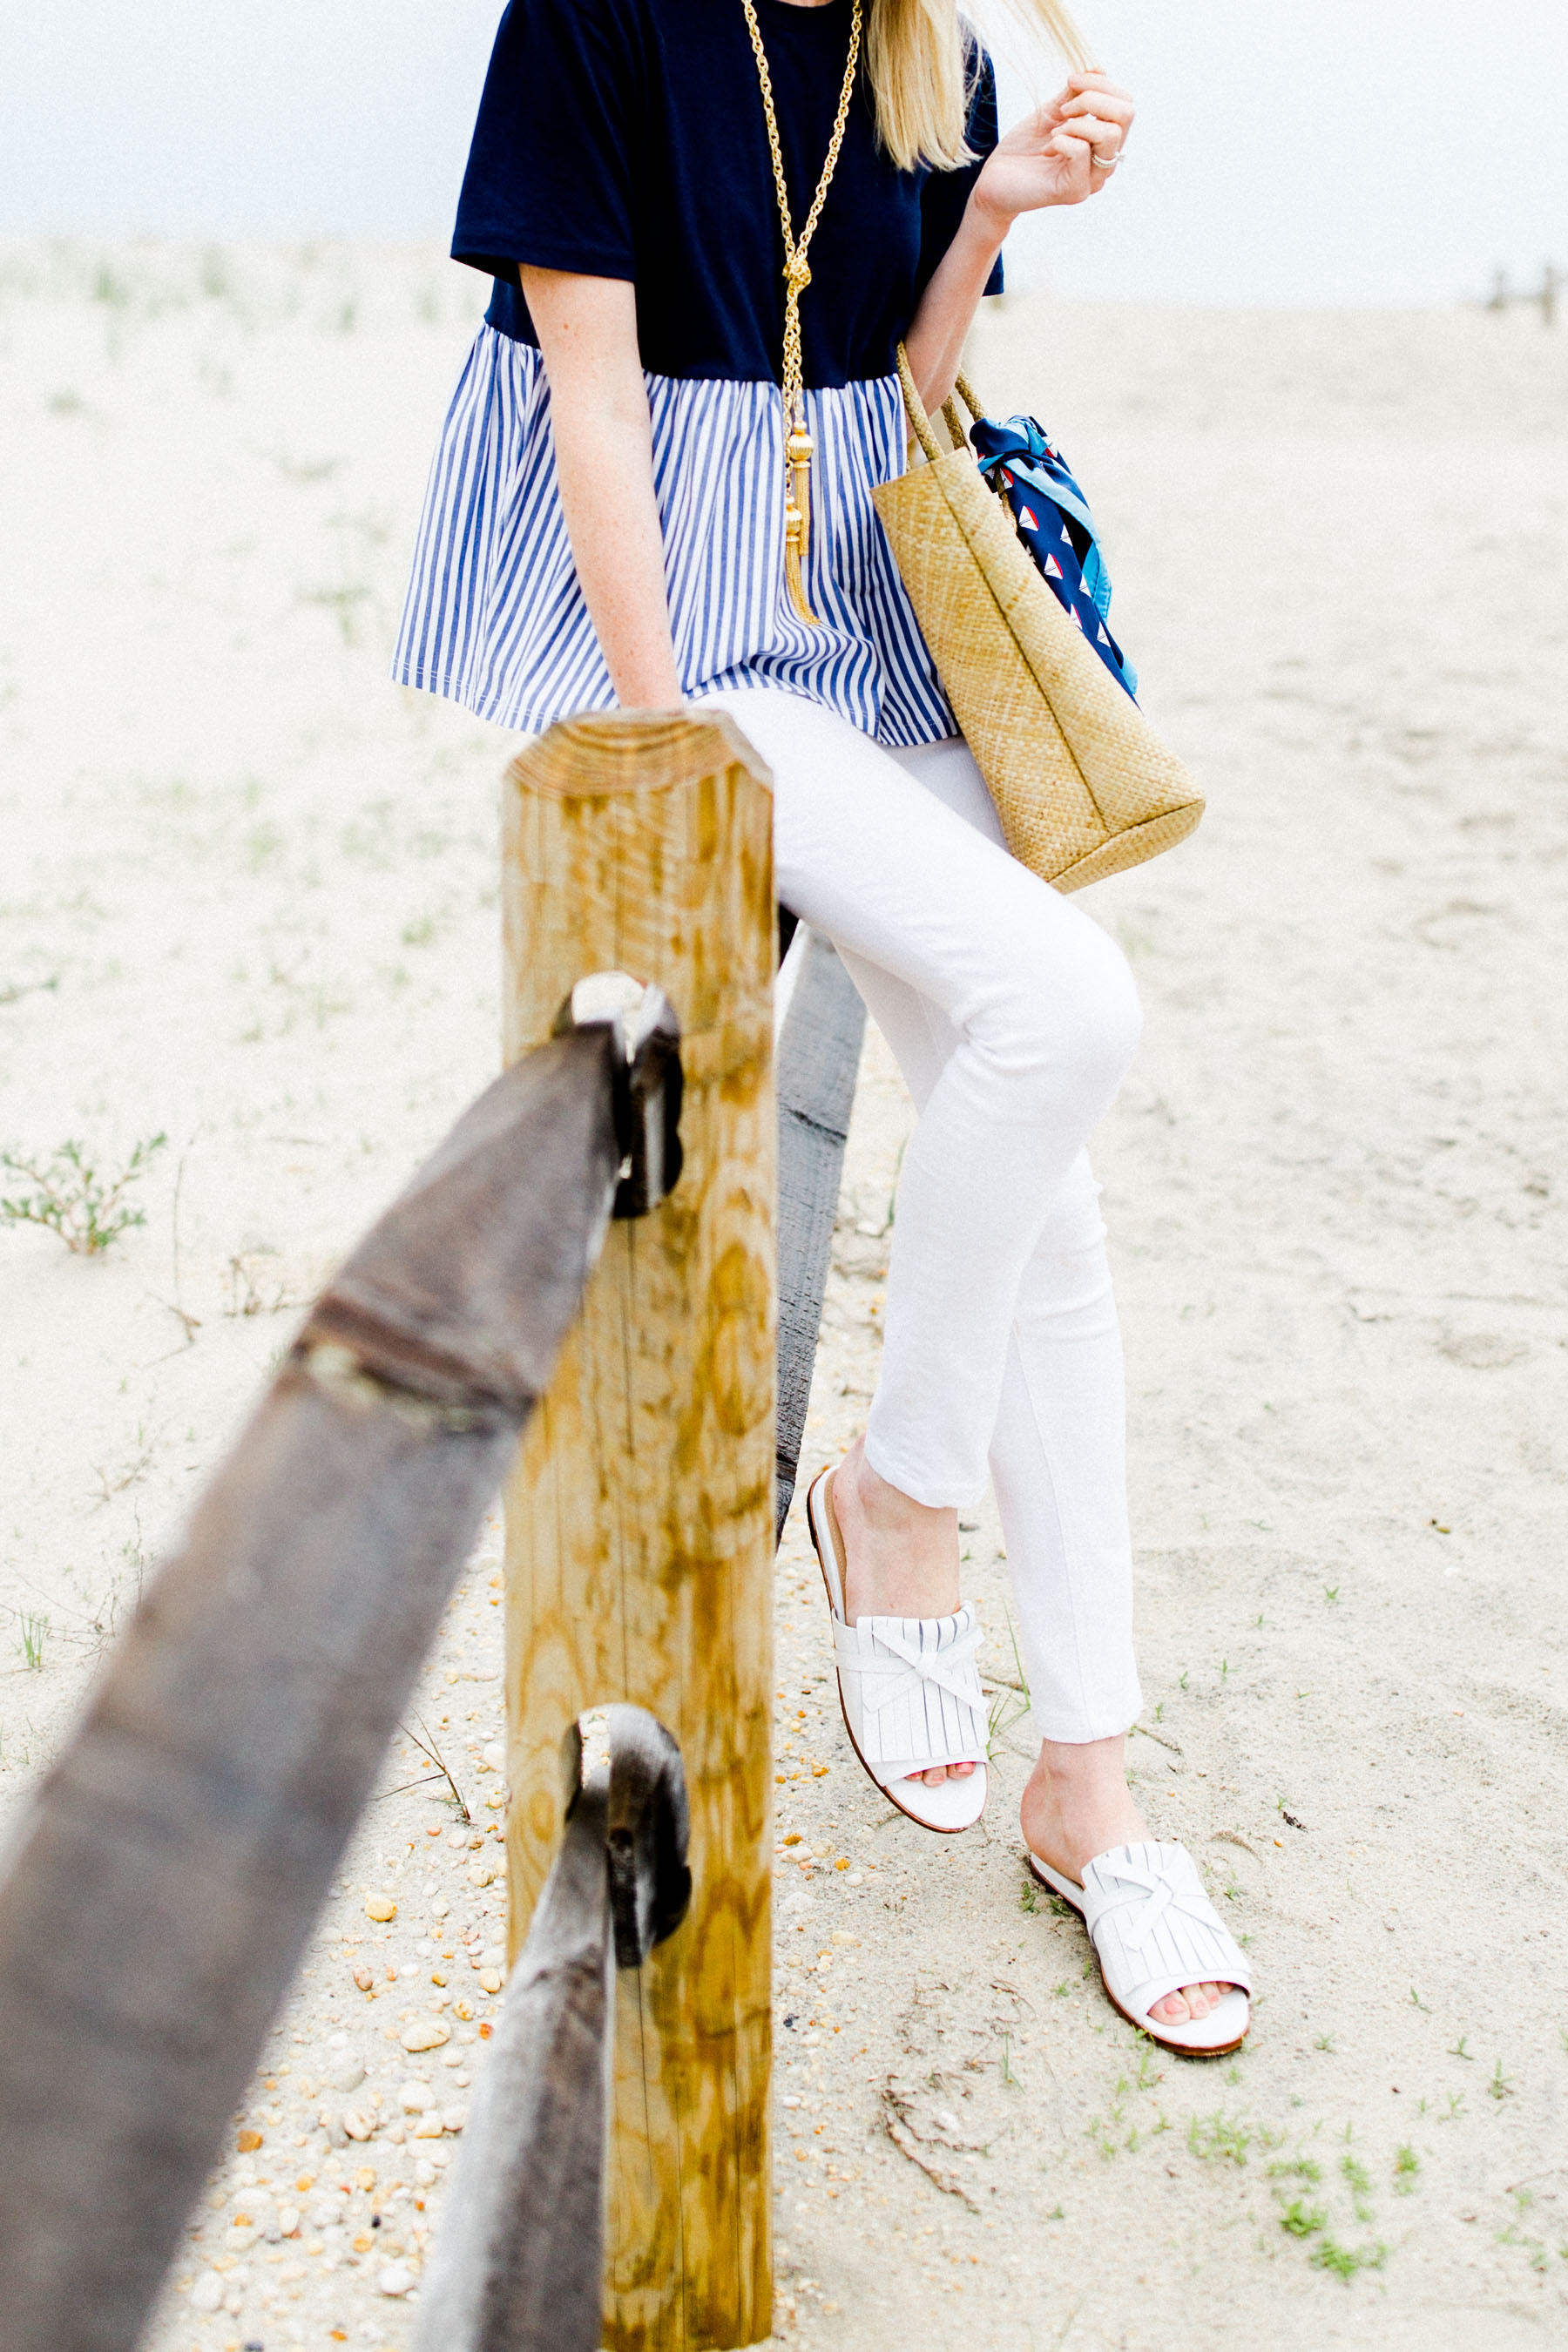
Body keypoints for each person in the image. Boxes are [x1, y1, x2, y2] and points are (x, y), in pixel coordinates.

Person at [394, 0, 1251, 2056]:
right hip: (684, 623)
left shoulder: (917, 52)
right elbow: (593, 412)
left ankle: (1086, 1774)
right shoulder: (596, 24)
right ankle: (909, 1508)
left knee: (1041, 1168)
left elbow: (906, 392)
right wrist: (673, 731)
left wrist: (991, 214)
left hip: (867, 623)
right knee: (1066, 1002)